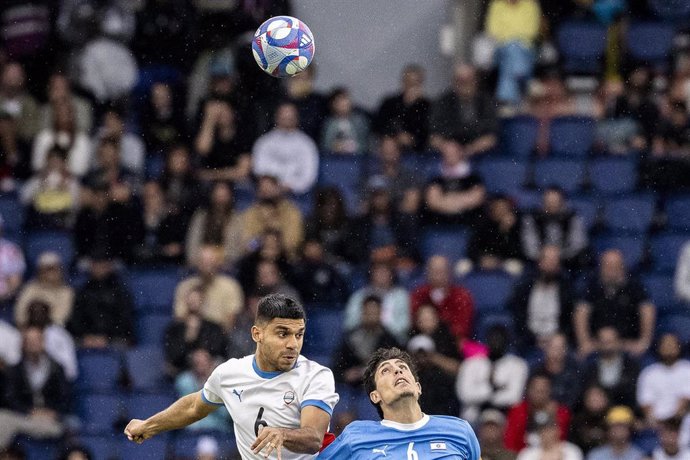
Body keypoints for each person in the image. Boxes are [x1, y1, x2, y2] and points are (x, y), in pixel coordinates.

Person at [125, 294, 339, 460]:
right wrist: (148, 426)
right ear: (257, 334)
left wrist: (283, 434)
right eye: (282, 334)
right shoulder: (230, 374)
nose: (293, 344)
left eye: (299, 334)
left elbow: (313, 437)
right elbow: (193, 407)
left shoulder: (316, 376)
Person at [318, 347, 481, 459]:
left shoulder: (460, 431)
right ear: (375, 396)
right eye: (385, 371)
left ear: (418, 388)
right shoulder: (355, 436)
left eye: (402, 367)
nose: (397, 371)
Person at [574, 249, 656, 358]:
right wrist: (584, 342)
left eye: (615, 266)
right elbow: (581, 312)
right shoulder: (592, 286)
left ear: (622, 267)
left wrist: (644, 341)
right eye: (608, 267)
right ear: (601, 268)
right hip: (598, 343)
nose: (612, 271)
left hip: (627, 343)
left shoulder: (634, 286)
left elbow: (647, 309)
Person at [0, 327, 69, 448]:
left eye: (36, 340)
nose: (33, 344)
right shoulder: (15, 370)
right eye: (29, 341)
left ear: (43, 342)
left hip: (51, 418)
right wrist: (29, 411)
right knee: (3, 418)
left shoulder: (57, 369)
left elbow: (65, 397)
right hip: (24, 417)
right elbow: (10, 398)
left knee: (70, 425)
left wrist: (52, 412)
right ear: (23, 344)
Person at [508, 245, 576, 352]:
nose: (551, 264)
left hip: (558, 341)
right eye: (548, 260)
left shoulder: (566, 289)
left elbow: (568, 321)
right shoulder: (525, 288)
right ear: (539, 262)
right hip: (528, 341)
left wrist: (557, 338)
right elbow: (518, 317)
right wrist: (533, 339)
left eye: (554, 261)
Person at [457, 324, 529, 424]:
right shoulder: (471, 363)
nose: (496, 342)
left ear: (507, 341)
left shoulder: (518, 365)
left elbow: (514, 397)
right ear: (486, 340)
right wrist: (493, 390)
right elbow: (464, 394)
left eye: (500, 338)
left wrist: (484, 397)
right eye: (493, 338)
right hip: (473, 418)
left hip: (504, 418)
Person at [332, 295, 399, 389]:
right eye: (368, 312)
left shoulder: (389, 340)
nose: (371, 316)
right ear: (362, 313)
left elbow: (397, 367)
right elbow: (336, 367)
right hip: (352, 388)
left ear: (380, 313)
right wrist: (345, 374)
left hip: (381, 388)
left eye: (374, 312)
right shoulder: (350, 338)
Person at [410, 255, 474, 353]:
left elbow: (462, 326)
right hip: (423, 339)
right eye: (434, 270)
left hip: (451, 343)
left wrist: (443, 334)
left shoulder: (461, 295)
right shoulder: (419, 294)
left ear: (449, 272)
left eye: (442, 270)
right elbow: (414, 321)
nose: (438, 274)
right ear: (427, 273)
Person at [252, 103, 319, 194]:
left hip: (297, 195)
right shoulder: (264, 142)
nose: (287, 120)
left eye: (290, 118)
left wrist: (289, 186)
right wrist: (273, 186)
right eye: (284, 117)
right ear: (276, 118)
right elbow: (259, 169)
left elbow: (309, 176)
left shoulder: (307, 144)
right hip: (268, 192)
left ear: (297, 119)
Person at [173, 246, 244, 332]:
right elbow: (179, 318)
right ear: (197, 263)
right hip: (190, 336)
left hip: (220, 337)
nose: (207, 266)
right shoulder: (185, 287)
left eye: (210, 261)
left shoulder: (231, 286)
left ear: (218, 263)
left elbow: (231, 321)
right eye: (203, 261)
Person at [521, 187, 588, 269]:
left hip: (568, 263)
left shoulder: (573, 217)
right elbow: (529, 246)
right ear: (543, 202)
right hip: (538, 263)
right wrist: (544, 256)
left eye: (555, 201)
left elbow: (578, 245)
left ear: (562, 202)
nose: (552, 204)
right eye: (548, 201)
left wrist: (557, 255)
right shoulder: (532, 217)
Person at [504, 372, 571, 452]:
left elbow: (561, 439)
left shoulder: (561, 412)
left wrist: (552, 416)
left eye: (542, 390)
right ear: (528, 390)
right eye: (535, 390)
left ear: (550, 391)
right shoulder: (518, 410)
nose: (538, 394)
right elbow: (510, 441)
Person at [637, 333, 690, 429]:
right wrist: (654, 421)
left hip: (681, 421)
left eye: (672, 344)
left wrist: (673, 421)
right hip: (656, 423)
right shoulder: (649, 372)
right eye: (665, 344)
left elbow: (686, 399)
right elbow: (646, 402)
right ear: (659, 348)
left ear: (679, 347)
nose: (669, 347)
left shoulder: (687, 368)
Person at [373, 64, 430, 151]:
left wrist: (412, 139)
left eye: (415, 83)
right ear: (403, 82)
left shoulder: (427, 106)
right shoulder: (389, 103)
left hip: (419, 153)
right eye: (408, 82)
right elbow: (378, 126)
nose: (411, 87)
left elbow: (429, 132)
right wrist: (396, 136)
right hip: (392, 151)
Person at [581, 327, 640, 408]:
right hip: (597, 411)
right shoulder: (590, 368)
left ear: (619, 342)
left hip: (624, 409)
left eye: (610, 341)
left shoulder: (631, 366)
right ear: (597, 343)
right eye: (604, 341)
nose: (607, 346)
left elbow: (633, 393)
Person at [14, 251, 74, 328]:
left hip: (53, 329)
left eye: (53, 269)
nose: (50, 274)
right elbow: (20, 314)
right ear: (40, 271)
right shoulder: (30, 288)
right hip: (29, 329)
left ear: (59, 270)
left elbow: (60, 317)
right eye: (47, 269)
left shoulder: (66, 291)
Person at [516, 414, 582, 460]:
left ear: (557, 430)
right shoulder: (528, 453)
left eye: (549, 429)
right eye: (542, 430)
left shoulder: (571, 451)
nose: (545, 433)